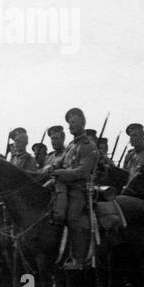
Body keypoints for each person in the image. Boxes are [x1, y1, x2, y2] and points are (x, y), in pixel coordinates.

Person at [49, 107, 98, 270]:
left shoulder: (88, 145)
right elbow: (60, 161)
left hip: (79, 189)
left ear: (83, 122)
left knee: (72, 217)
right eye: (69, 123)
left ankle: (78, 259)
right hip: (63, 188)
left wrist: (62, 172)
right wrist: (52, 167)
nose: (71, 126)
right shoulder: (70, 145)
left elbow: (83, 171)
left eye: (74, 122)